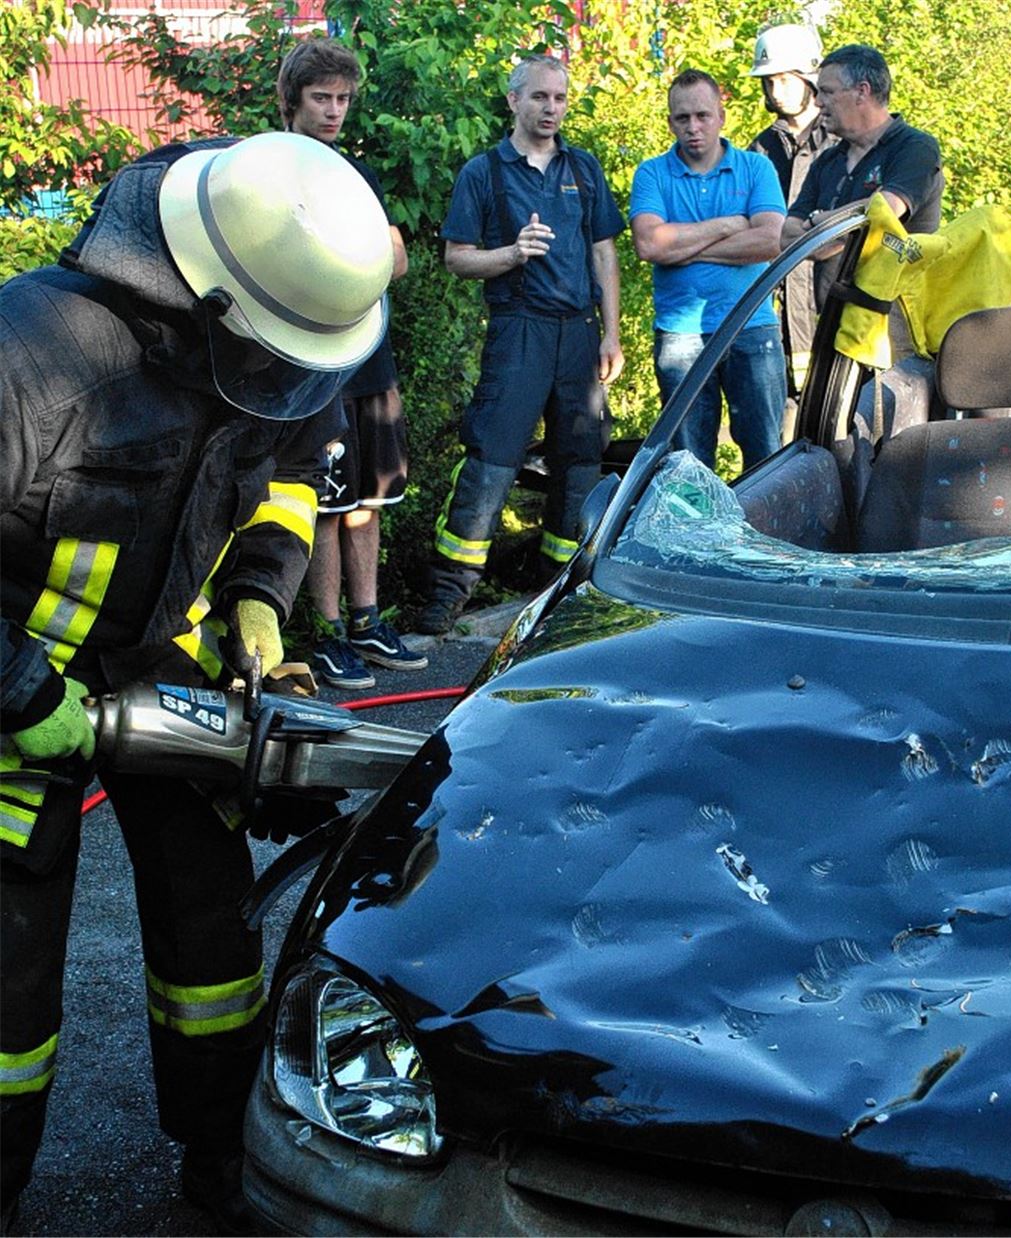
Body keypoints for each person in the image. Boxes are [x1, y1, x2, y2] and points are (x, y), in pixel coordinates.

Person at [0, 132, 392, 1233]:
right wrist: (27, 696)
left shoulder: (274, 343)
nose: (279, 379)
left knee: (213, 931)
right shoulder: (31, 352)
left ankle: (225, 1153)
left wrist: (261, 603)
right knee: (6, 975)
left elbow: (277, 484)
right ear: (207, 297)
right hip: (14, 679)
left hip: (161, 661)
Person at [413, 54, 624, 637]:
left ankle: (562, 592)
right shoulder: (484, 172)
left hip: (579, 335)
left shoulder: (583, 168)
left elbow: (604, 252)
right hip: (519, 332)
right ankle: (447, 597)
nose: (551, 108)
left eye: (559, 98)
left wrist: (612, 333)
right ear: (513, 101)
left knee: (579, 464)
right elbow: (456, 258)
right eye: (539, 97)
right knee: (491, 462)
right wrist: (510, 254)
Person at [277, 39, 427, 687]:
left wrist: (355, 253)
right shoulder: (274, 169)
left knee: (371, 498)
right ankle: (328, 631)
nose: (335, 111)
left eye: (342, 99)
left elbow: (396, 259)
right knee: (328, 504)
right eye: (321, 98)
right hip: (314, 368)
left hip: (370, 356)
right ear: (291, 101)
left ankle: (367, 622)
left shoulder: (352, 172)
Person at [630, 69, 786, 471]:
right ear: (670, 122)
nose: (693, 127)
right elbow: (649, 244)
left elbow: (770, 241)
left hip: (751, 328)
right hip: (680, 334)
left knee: (765, 456)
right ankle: (696, 535)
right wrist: (727, 225)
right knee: (687, 463)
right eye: (682, 119)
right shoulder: (652, 173)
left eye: (702, 116)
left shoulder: (756, 168)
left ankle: (761, 532)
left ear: (721, 115)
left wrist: (680, 247)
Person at [779, 43, 944, 355]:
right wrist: (848, 226)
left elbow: (886, 212)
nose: (817, 102)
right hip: (834, 329)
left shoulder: (914, 148)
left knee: (880, 406)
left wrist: (818, 220)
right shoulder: (826, 162)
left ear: (862, 91)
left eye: (826, 91)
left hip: (894, 335)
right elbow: (787, 238)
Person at [748, 22, 835, 412]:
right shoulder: (762, 149)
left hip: (835, 311)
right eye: (768, 82)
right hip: (781, 322)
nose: (775, 92)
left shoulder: (843, 143)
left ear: (809, 78)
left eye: (784, 80)